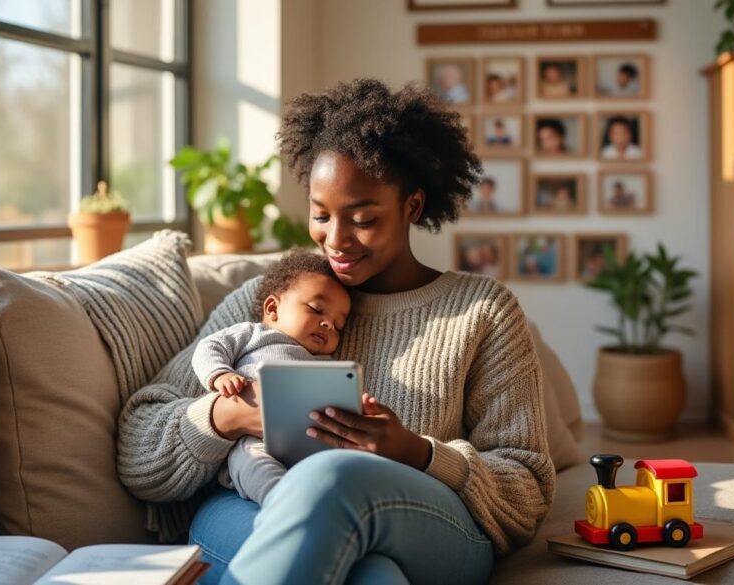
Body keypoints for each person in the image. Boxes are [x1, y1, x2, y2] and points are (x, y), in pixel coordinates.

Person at [117, 78, 555, 585]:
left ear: (412, 207)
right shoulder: (273, 298)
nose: (336, 240)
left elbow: (526, 488)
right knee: (373, 577)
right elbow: (139, 447)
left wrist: (417, 453)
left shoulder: (482, 311)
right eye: (320, 215)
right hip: (250, 503)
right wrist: (228, 416)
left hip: (426, 523)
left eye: (362, 219)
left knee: (331, 477)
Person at [190, 250, 351, 505]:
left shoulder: (324, 362)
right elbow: (209, 348)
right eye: (316, 309)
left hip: (307, 445)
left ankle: (317, 500)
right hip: (253, 439)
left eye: (338, 325)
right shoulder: (254, 334)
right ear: (273, 308)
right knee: (253, 462)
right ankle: (283, 502)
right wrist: (220, 374)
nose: (328, 324)